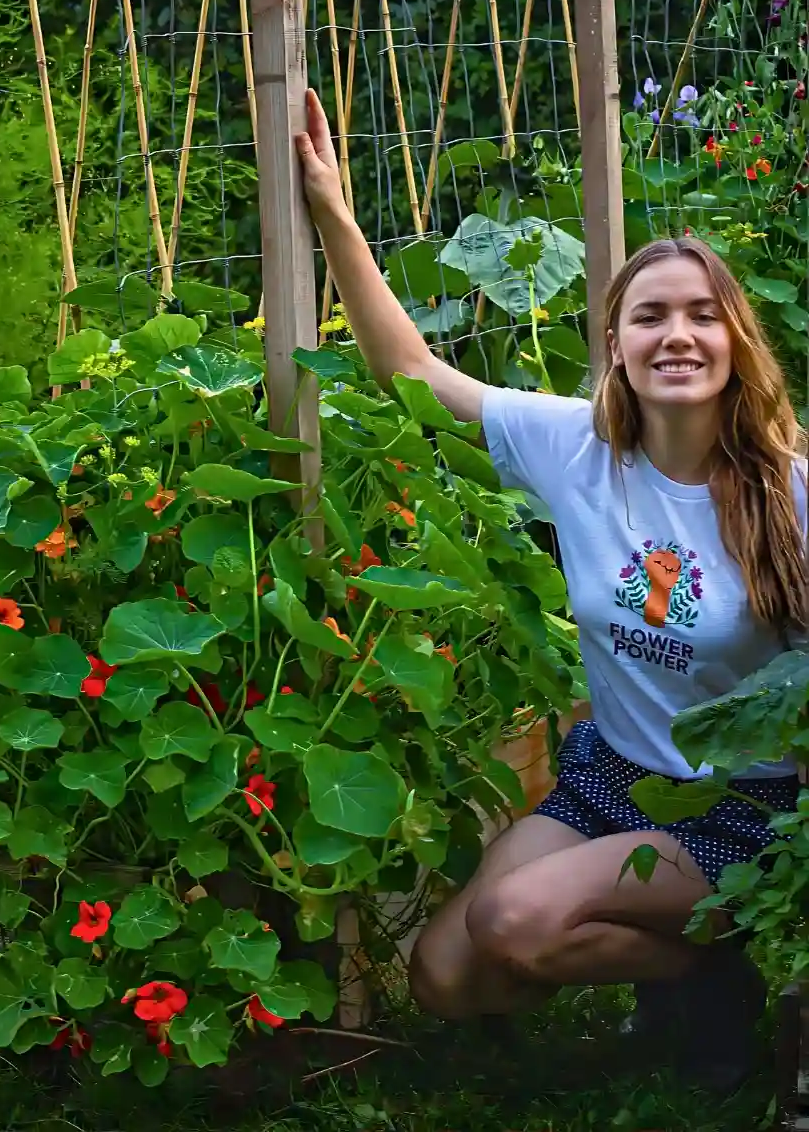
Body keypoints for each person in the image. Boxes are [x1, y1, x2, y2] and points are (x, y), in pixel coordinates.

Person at [295, 88, 805, 1092]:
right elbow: (410, 371)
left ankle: (724, 988)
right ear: (614, 343)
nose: (678, 337)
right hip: (608, 782)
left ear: (737, 342)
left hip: (744, 813)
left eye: (704, 317)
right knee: (444, 975)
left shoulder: (790, 493)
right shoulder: (575, 446)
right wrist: (335, 217)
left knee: (515, 922)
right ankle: (697, 977)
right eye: (650, 316)